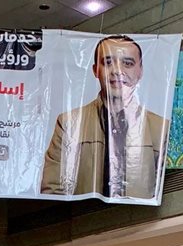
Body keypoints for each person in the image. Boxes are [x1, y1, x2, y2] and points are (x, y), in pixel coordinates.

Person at [41, 35, 167, 199]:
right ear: (95, 70)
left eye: (128, 63)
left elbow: (164, 191)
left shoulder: (160, 128)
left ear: (140, 71)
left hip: (139, 215)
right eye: (108, 62)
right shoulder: (69, 123)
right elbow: (53, 191)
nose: (117, 71)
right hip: (86, 215)